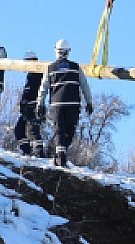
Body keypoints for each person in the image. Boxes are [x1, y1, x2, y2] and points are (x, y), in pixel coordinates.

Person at [36, 39, 94, 167]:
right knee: (69, 130)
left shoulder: (50, 68)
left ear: (56, 51)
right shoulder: (75, 67)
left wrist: (40, 104)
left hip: (57, 104)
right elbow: (85, 85)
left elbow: (43, 87)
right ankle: (61, 154)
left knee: (59, 129)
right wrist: (89, 102)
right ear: (68, 52)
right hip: (73, 104)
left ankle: (59, 154)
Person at [12, 52, 46, 156]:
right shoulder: (30, 75)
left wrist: (36, 105)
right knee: (19, 130)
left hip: (34, 106)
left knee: (33, 131)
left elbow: (37, 91)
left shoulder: (38, 74)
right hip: (27, 107)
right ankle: (27, 151)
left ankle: (39, 154)